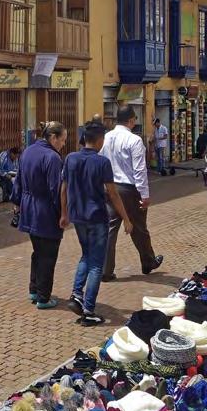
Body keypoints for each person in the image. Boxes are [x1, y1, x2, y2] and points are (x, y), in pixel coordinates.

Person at [61, 120, 130, 326]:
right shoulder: (102, 162)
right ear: (100, 140)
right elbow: (113, 194)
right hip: (97, 216)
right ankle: (89, 310)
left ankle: (76, 294)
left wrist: (64, 213)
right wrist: (126, 219)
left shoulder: (71, 158)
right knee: (96, 264)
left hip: (78, 216)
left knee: (86, 255)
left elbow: (63, 188)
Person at [100, 105, 163, 281]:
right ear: (131, 120)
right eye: (135, 119)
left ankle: (106, 270)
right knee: (139, 227)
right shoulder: (134, 140)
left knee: (110, 228)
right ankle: (148, 261)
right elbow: (140, 170)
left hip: (110, 187)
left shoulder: (106, 138)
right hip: (129, 189)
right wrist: (145, 195)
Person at [13, 121, 67, 309]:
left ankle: (34, 289)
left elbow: (18, 181)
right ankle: (43, 297)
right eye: (62, 140)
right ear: (53, 137)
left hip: (28, 208)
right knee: (48, 254)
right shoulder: (52, 158)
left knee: (38, 251)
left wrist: (17, 203)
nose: (63, 144)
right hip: (45, 210)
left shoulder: (28, 152)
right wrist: (63, 213)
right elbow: (56, 189)